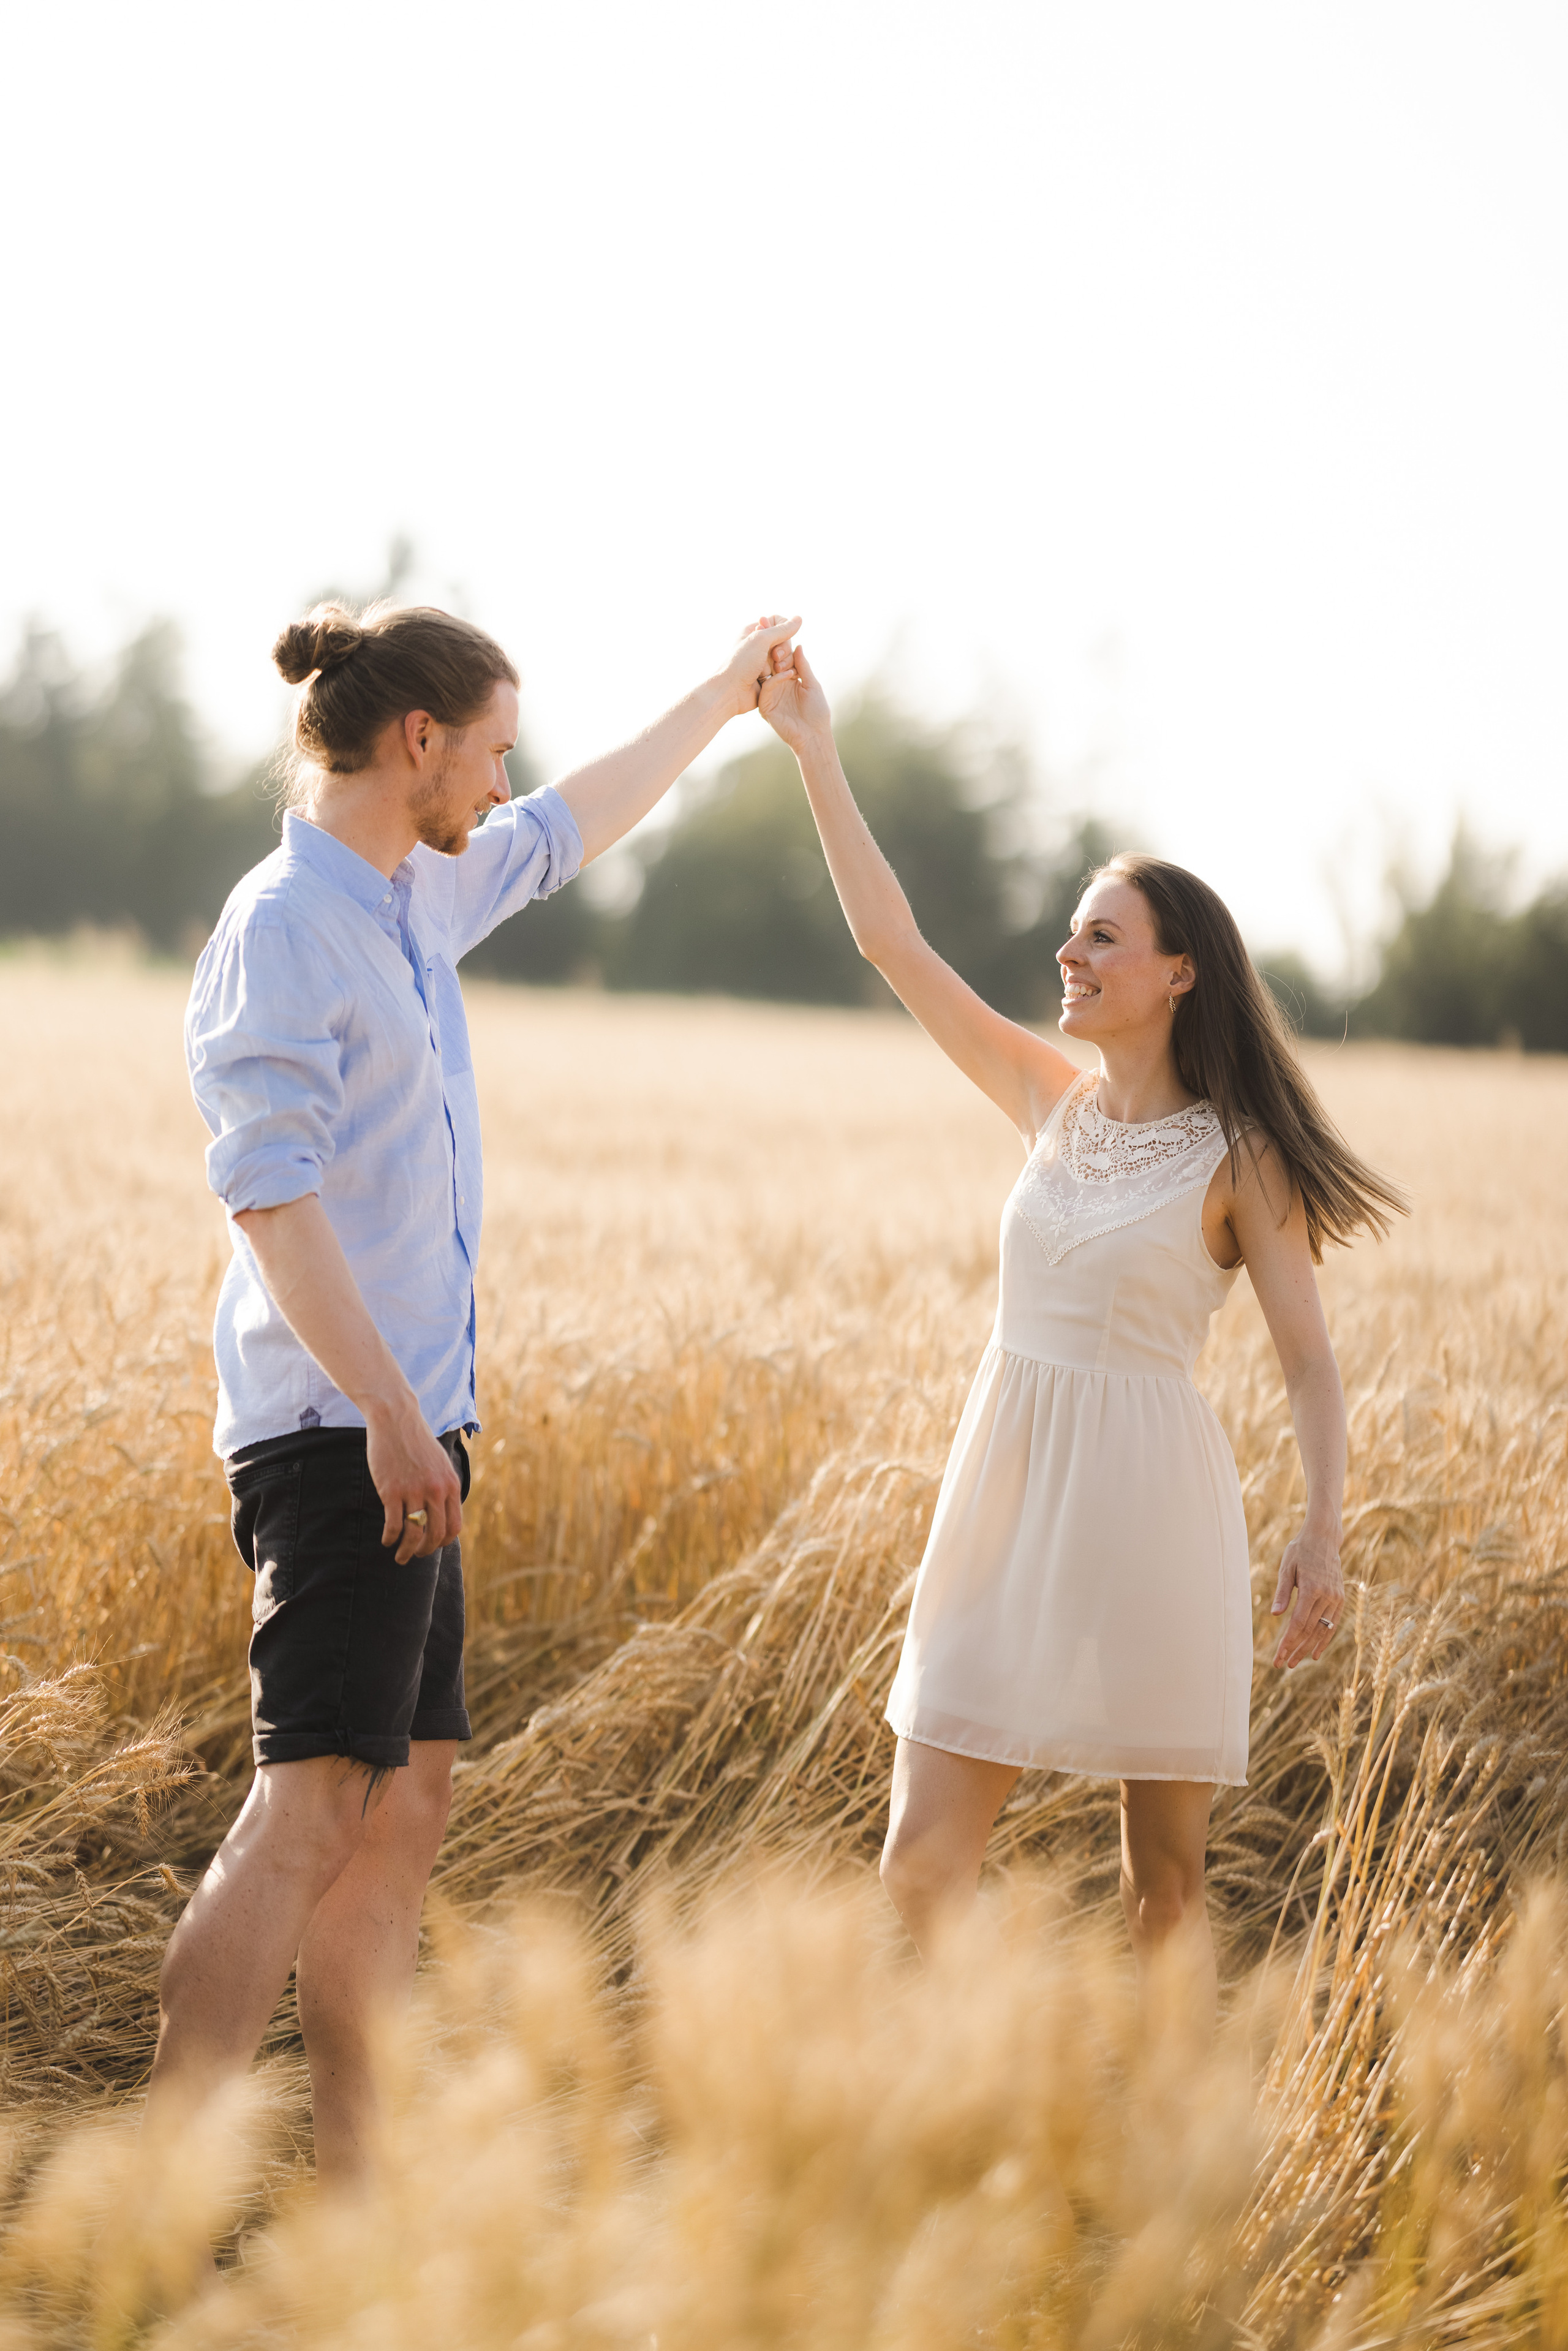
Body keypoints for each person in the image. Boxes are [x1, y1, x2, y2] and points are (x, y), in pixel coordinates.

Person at [152, 600, 801, 2178]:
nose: (511, 783)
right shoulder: (286, 924)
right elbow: (273, 1198)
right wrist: (383, 1413)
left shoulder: (409, 894)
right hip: (335, 1431)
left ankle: (356, 2196)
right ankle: (153, 2206)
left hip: (410, 1430)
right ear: (416, 739)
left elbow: (580, 823)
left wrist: (725, 698)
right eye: (492, 747)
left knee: (403, 1804)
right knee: (306, 1808)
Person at [757, 642, 1404, 2023]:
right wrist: (816, 753)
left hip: (1151, 1505)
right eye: (1071, 929)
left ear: (1178, 973)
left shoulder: (1239, 1157)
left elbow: (1307, 1362)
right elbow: (893, 944)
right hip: (1000, 1494)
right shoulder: (1044, 1100)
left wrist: (1319, 1529)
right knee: (920, 1863)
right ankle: (940, 2115)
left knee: (1161, 1886)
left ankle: (1169, 2150)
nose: (1068, 950)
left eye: (1100, 934)